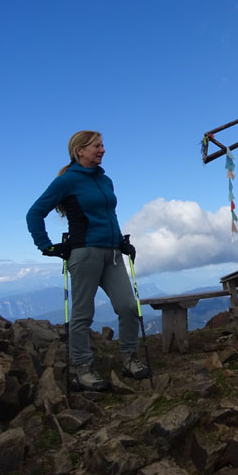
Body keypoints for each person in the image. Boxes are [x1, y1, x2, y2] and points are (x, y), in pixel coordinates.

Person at [26, 130, 150, 391]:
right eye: (97, 146)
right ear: (79, 151)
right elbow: (34, 213)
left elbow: (110, 215)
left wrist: (121, 241)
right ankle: (83, 369)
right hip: (84, 254)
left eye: (103, 145)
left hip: (112, 254)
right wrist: (46, 246)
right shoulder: (67, 181)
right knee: (83, 313)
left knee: (128, 306)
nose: (103, 150)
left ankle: (130, 359)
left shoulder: (106, 181)